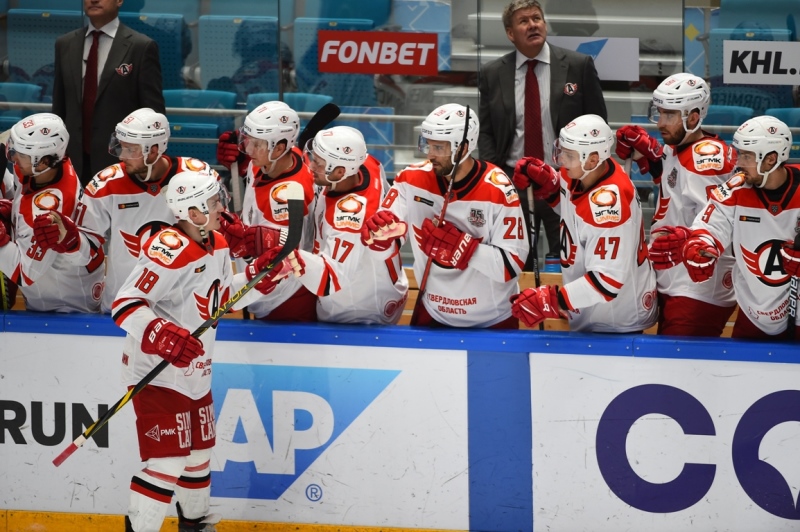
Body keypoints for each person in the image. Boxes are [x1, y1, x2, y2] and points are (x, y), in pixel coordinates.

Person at [112, 170, 298, 531]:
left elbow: (220, 300)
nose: (221, 208)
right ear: (193, 213)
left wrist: (257, 276)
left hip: (195, 373)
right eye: (214, 203)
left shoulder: (219, 243)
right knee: (168, 462)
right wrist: (161, 333)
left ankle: (194, 525)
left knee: (198, 456)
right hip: (157, 373)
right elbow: (126, 303)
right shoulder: (169, 248)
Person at [33, 108, 219, 313]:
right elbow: (87, 251)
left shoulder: (200, 178)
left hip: (182, 307)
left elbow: (217, 238)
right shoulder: (105, 184)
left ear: (153, 150)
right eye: (121, 147)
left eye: (131, 150)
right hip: (124, 306)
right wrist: (71, 241)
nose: (122, 156)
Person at [361, 103, 528, 328]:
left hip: (492, 319)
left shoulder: (498, 189)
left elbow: (512, 265)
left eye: (439, 147)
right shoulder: (410, 180)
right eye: (427, 145)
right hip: (433, 312)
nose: (430, 154)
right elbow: (386, 246)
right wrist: (380, 238)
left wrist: (465, 249)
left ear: (463, 148)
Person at [478, 0, 607, 264]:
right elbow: (486, 131)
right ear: (510, 33)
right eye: (523, 21)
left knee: (571, 261)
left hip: (566, 181)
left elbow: (598, 123)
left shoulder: (578, 65)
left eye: (536, 18)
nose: (532, 25)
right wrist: (497, 179)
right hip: (515, 185)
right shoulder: (493, 73)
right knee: (515, 263)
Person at [651, 116, 800, 341]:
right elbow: (711, 224)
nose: (739, 163)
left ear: (771, 158)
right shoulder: (734, 189)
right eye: (739, 154)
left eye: (747, 156)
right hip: (755, 313)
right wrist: (699, 245)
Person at [511, 114, 657, 333]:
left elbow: (606, 282)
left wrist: (551, 300)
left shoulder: (608, 206)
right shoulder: (581, 174)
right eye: (561, 151)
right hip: (590, 311)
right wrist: (549, 185)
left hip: (616, 320)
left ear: (592, 159)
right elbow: (575, 215)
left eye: (569, 155)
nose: (561, 161)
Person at [618, 73, 738, 337]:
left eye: (669, 115)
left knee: (680, 359)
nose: (660, 123)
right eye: (660, 113)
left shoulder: (706, 160)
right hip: (676, 279)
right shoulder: (679, 146)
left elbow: (721, 222)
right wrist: (650, 154)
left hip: (699, 287)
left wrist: (687, 240)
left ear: (693, 118)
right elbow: (675, 187)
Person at [293, 126, 408, 324]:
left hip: (357, 311)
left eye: (318, 163)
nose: (311, 166)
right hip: (383, 285)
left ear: (339, 172)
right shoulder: (367, 163)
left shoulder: (348, 219)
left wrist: (288, 256)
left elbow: (330, 279)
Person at [215, 101, 317, 321]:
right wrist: (241, 165)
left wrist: (244, 243)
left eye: (256, 144)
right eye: (247, 140)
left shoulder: (286, 197)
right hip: (260, 292)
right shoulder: (275, 159)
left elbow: (283, 262)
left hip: (285, 298)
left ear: (279, 148)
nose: (249, 150)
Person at [53, 0, 166, 185]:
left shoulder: (140, 46)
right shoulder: (65, 44)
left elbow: (153, 114)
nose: (94, 0)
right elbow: (59, 107)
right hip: (73, 161)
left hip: (122, 161)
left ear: (119, 1)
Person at [0, 113, 104, 313]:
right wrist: (11, 208)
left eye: (20, 153)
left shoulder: (47, 213)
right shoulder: (50, 165)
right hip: (63, 280)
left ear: (43, 162)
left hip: (65, 303)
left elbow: (25, 273)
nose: (13, 157)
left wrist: (2, 243)